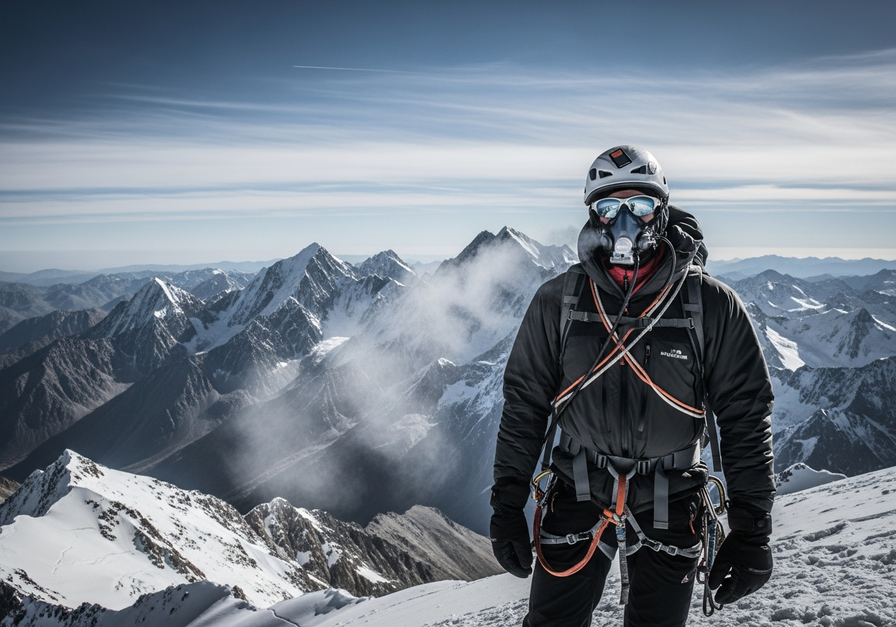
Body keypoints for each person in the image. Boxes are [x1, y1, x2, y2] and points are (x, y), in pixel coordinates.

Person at [490, 145, 775, 627]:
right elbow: (525, 405)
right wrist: (507, 504)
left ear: (661, 212)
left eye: (638, 207)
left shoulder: (708, 304)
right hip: (577, 491)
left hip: (672, 496)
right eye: (608, 207)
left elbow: (745, 415)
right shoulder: (560, 301)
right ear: (592, 217)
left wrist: (752, 532)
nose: (624, 222)